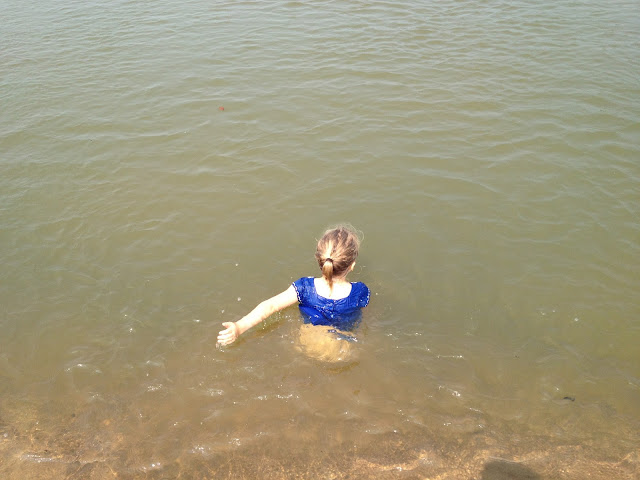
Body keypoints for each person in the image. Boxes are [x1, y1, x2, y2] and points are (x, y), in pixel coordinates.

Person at [216, 225, 370, 347]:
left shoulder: (304, 287)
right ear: (352, 265)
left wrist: (239, 327)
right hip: (341, 347)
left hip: (308, 343)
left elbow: (270, 306)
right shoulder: (360, 291)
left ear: (319, 260)